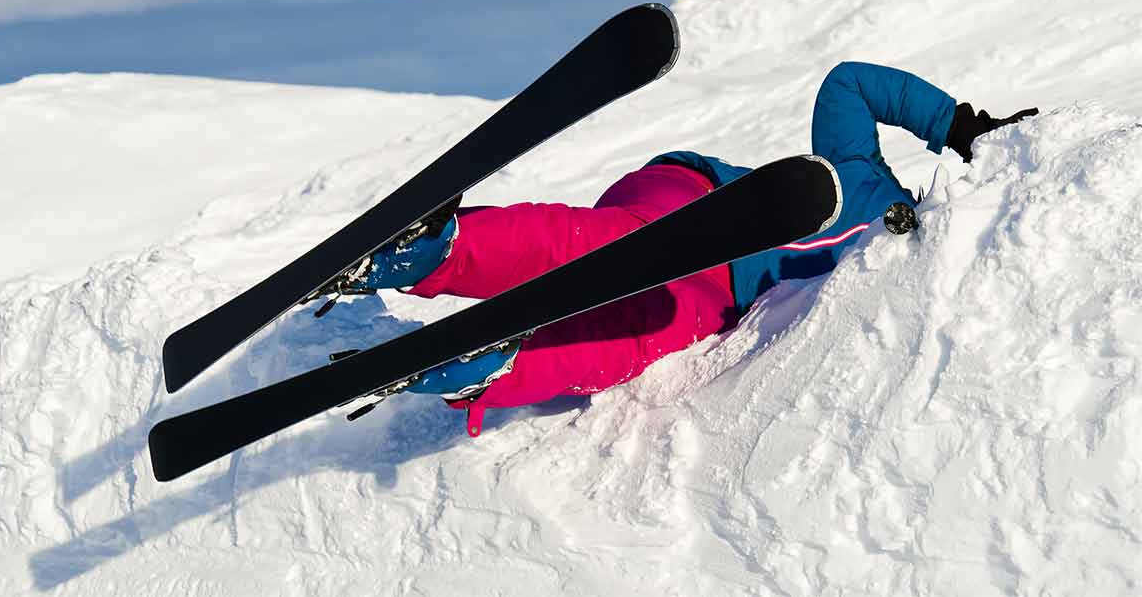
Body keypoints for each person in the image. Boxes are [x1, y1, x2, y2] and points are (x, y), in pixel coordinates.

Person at [341, 62, 1037, 436]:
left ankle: (489, 366)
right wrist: (960, 127)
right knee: (614, 247)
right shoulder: (863, 173)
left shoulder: (907, 298)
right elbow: (848, 82)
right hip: (692, 199)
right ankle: (432, 255)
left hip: (714, 294)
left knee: (638, 340)